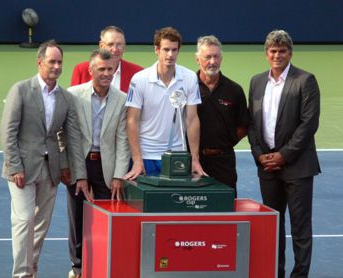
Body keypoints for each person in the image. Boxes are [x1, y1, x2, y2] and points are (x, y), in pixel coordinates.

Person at [0, 40, 91, 278]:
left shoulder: (66, 98)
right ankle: (22, 274)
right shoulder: (20, 90)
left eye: (60, 62)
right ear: (39, 62)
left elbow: (71, 138)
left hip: (50, 171)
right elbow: (8, 132)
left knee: (40, 226)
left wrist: (76, 172)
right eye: (52, 61)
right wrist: (14, 166)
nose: (56, 66)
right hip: (22, 169)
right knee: (24, 220)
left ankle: (31, 268)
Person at [247, 30, 321, 278]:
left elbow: (309, 123)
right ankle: (274, 273)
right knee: (273, 227)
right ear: (266, 54)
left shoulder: (305, 80)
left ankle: (299, 275)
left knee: (300, 228)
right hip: (267, 168)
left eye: (282, 51)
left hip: (297, 167)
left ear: (290, 52)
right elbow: (252, 124)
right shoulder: (256, 82)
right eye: (273, 51)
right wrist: (260, 155)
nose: (277, 55)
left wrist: (284, 155)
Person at [64, 48, 130, 278]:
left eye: (110, 69)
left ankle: (104, 262)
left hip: (107, 166)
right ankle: (78, 267)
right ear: (91, 70)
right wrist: (77, 172)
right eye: (101, 69)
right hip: (79, 163)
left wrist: (119, 175)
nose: (106, 73)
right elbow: (67, 136)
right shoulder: (72, 95)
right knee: (77, 217)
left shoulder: (122, 98)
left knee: (107, 215)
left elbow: (123, 140)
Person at [123, 26, 206, 179]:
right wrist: (137, 160)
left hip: (177, 155)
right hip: (147, 155)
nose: (170, 54)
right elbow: (132, 120)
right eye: (166, 49)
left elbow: (192, 119)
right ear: (157, 50)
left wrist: (195, 159)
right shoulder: (139, 80)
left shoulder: (189, 78)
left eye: (174, 50)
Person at [195, 35, 248, 196]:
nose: (212, 61)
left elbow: (243, 126)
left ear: (221, 58)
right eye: (207, 57)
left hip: (224, 162)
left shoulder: (234, 90)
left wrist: (225, 143)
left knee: (226, 208)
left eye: (216, 56)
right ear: (198, 59)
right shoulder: (186, 87)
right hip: (193, 161)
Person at [70, 25, 143, 92]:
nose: (115, 49)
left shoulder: (137, 73)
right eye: (110, 44)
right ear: (101, 46)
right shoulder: (81, 70)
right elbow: (73, 102)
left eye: (119, 44)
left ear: (124, 47)